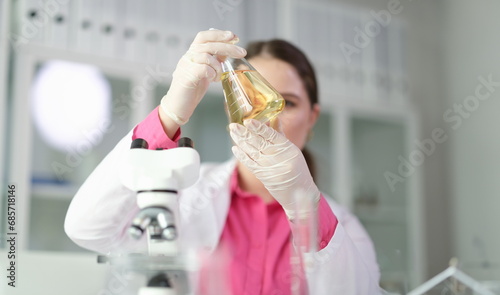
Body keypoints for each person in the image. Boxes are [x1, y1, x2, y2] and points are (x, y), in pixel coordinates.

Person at [64, 29, 381, 294]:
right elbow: (89, 229)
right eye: (250, 98)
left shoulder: (341, 227)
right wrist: (169, 115)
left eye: (287, 103)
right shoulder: (186, 192)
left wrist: (308, 207)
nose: (266, 116)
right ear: (231, 107)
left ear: (312, 118)